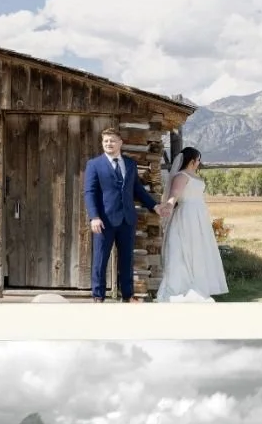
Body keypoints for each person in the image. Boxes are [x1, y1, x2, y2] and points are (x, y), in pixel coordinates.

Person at [83, 127, 171, 302]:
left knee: (127, 259)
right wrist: (94, 216)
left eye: (112, 140)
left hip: (127, 220)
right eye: (106, 141)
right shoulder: (94, 164)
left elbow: (137, 190)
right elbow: (89, 192)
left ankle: (128, 296)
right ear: (102, 143)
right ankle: (98, 297)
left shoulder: (130, 164)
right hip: (104, 221)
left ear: (120, 143)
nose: (109, 144)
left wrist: (155, 206)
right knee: (100, 260)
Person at [156, 146, 229, 302]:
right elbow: (174, 195)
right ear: (192, 160)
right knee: (184, 248)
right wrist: (168, 205)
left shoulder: (194, 176)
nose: (199, 163)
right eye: (198, 160)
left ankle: (199, 282)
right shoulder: (181, 176)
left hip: (199, 215)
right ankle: (180, 284)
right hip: (187, 214)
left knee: (198, 248)